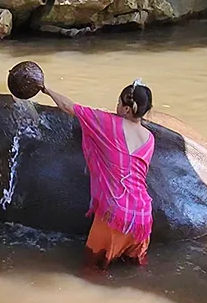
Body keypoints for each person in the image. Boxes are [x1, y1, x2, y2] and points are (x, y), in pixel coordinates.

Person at [40, 79, 156, 270]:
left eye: (119, 103)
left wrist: (45, 89)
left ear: (127, 109)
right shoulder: (150, 139)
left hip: (115, 215)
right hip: (142, 218)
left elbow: (68, 107)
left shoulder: (107, 123)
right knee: (135, 270)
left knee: (92, 270)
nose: (116, 106)